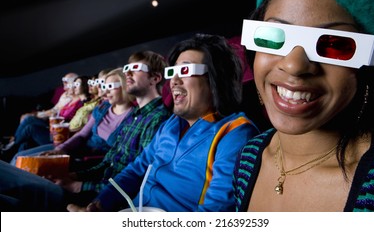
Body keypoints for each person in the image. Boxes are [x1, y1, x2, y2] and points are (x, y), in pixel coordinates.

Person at [233, 0, 374, 212]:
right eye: (276, 36)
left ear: (369, 66)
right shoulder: (249, 157)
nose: (294, 65)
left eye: (335, 45)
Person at [68, 33, 259, 212]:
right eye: (172, 72)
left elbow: (214, 214)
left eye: (184, 70)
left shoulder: (234, 134)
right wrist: (99, 205)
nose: (173, 81)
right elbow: (135, 170)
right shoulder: (172, 124)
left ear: (216, 78)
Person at [0, 50, 171, 211]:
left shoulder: (158, 119)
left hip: (99, 198)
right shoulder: (136, 116)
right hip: (92, 185)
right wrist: (74, 176)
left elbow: (137, 179)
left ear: (155, 78)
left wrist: (79, 186)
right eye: (127, 68)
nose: (127, 73)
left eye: (135, 68)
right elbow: (108, 163)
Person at [9, 68, 134, 166]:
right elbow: (81, 135)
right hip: (72, 148)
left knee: (24, 159)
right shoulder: (102, 108)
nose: (105, 92)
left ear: (124, 86)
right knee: (20, 156)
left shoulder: (134, 117)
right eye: (105, 86)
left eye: (111, 87)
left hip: (86, 159)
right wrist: (61, 149)